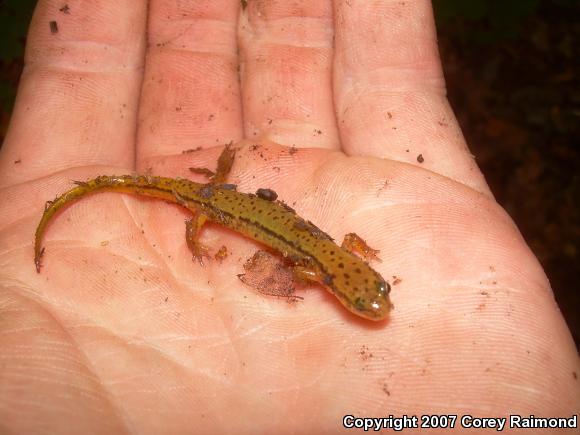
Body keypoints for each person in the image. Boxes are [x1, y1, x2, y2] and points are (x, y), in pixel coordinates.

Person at [0, 1, 577, 433]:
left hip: (228, 201)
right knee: (186, 203)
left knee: (203, 195)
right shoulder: (312, 266)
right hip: (210, 203)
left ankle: (176, 185)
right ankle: (142, 198)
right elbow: (316, 258)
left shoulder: (331, 255)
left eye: (371, 293)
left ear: (346, 271)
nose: (376, 302)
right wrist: (199, 245)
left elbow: (341, 242)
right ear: (335, 277)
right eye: (366, 296)